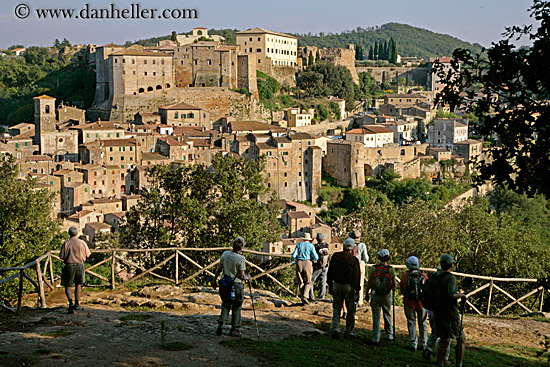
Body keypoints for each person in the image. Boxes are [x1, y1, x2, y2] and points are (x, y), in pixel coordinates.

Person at [213, 237, 251, 337]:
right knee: (236, 307)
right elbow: (242, 276)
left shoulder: (225, 254)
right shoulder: (241, 259)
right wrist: (248, 277)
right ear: (242, 247)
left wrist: (214, 279)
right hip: (236, 285)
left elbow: (219, 269)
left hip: (225, 283)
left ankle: (221, 324)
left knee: (225, 304)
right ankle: (235, 329)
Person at [434, 254, 467, 367]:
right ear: (451, 264)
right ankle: (459, 363)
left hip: (438, 310)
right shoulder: (450, 278)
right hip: (450, 312)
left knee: (444, 339)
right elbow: (451, 294)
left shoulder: (436, 276)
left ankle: (440, 363)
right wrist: (462, 295)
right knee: (461, 337)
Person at [327, 238, 360, 339]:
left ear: (344, 246)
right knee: (350, 310)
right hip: (348, 286)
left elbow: (330, 271)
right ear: (353, 248)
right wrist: (357, 290)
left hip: (337, 284)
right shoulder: (354, 260)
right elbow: (356, 276)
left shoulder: (336, 256)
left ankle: (336, 329)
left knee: (336, 308)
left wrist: (330, 284)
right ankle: (348, 331)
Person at [366, 248, 397, 345]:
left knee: (376, 316)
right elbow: (395, 285)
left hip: (375, 294)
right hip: (386, 295)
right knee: (387, 314)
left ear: (379, 257)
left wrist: (367, 293)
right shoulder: (391, 269)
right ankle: (390, 335)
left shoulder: (374, 268)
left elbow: (370, 282)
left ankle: (376, 337)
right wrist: (392, 289)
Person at [59, 226, 91, 314]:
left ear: (69, 233)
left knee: (68, 285)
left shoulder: (66, 243)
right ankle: (77, 303)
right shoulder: (82, 243)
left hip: (69, 266)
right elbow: (88, 255)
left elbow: (61, 257)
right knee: (78, 284)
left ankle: (70, 303)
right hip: (80, 265)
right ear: (77, 233)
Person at [400, 256, 428, 351]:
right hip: (422, 303)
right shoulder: (424, 276)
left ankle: (413, 343)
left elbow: (403, 290)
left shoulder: (405, 276)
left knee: (411, 322)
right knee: (423, 323)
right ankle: (424, 343)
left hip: (409, 303)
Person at [291, 233, 319, 305]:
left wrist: (293, 261)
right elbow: (316, 256)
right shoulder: (311, 246)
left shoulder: (298, 244)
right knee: (308, 281)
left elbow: (293, 255)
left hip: (299, 263)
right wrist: (315, 260)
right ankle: (305, 296)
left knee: (300, 281)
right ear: (309, 239)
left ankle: (302, 298)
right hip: (307, 263)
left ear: (303, 238)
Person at [349, 230, 369, 306]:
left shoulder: (350, 244)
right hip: (360, 264)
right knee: (361, 283)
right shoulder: (362, 245)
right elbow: (365, 258)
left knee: (351, 282)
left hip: (351, 265)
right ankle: (360, 301)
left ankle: (351, 299)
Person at [309, 233, 330, 301]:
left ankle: (311, 296)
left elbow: (309, 247)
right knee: (323, 281)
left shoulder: (316, 246)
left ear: (317, 239)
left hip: (318, 266)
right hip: (326, 266)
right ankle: (322, 297)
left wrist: (312, 241)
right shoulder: (326, 245)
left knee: (311, 280)